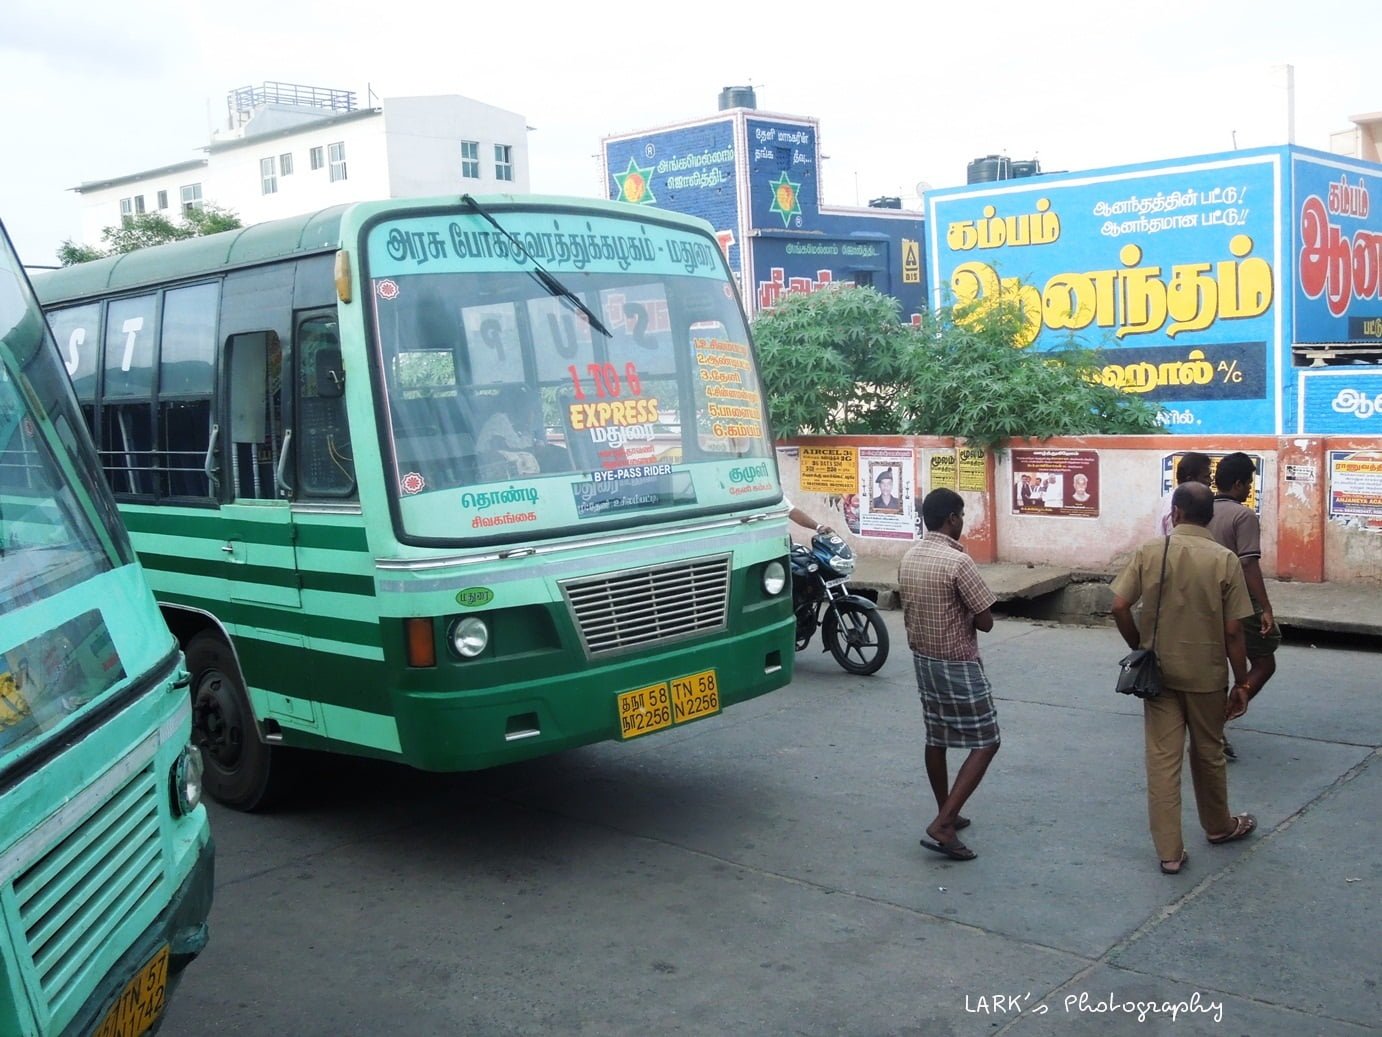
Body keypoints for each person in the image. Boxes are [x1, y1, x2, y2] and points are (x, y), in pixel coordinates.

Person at [1111, 482, 1258, 875]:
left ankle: (1169, 853)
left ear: (1174, 512)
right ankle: (1218, 826)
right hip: (1206, 674)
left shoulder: (1150, 551)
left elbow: (1120, 605)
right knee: (1208, 754)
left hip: (1158, 671)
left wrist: (1139, 644)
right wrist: (1241, 682)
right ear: (1209, 516)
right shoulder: (1224, 559)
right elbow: (1233, 632)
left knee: (1162, 760)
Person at [898, 488, 1000, 862]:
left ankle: (947, 811)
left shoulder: (909, 557)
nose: (963, 522)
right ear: (951, 519)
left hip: (923, 659)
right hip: (957, 662)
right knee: (987, 739)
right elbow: (986, 621)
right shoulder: (959, 563)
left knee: (937, 735)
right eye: (961, 516)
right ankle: (943, 822)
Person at [1207, 452, 1281, 758]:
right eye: (1248, 483)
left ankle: (1210, 727)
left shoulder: (1201, 509)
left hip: (1202, 596)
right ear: (1237, 484)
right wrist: (1265, 607)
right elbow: (1249, 564)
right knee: (1264, 662)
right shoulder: (1243, 516)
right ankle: (1223, 716)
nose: (1250, 489)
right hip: (1235, 597)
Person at [1156, 451, 1212, 536]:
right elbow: (1177, 542)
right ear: (1190, 479)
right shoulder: (1178, 503)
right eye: (1206, 476)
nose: (1210, 481)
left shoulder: (1169, 498)